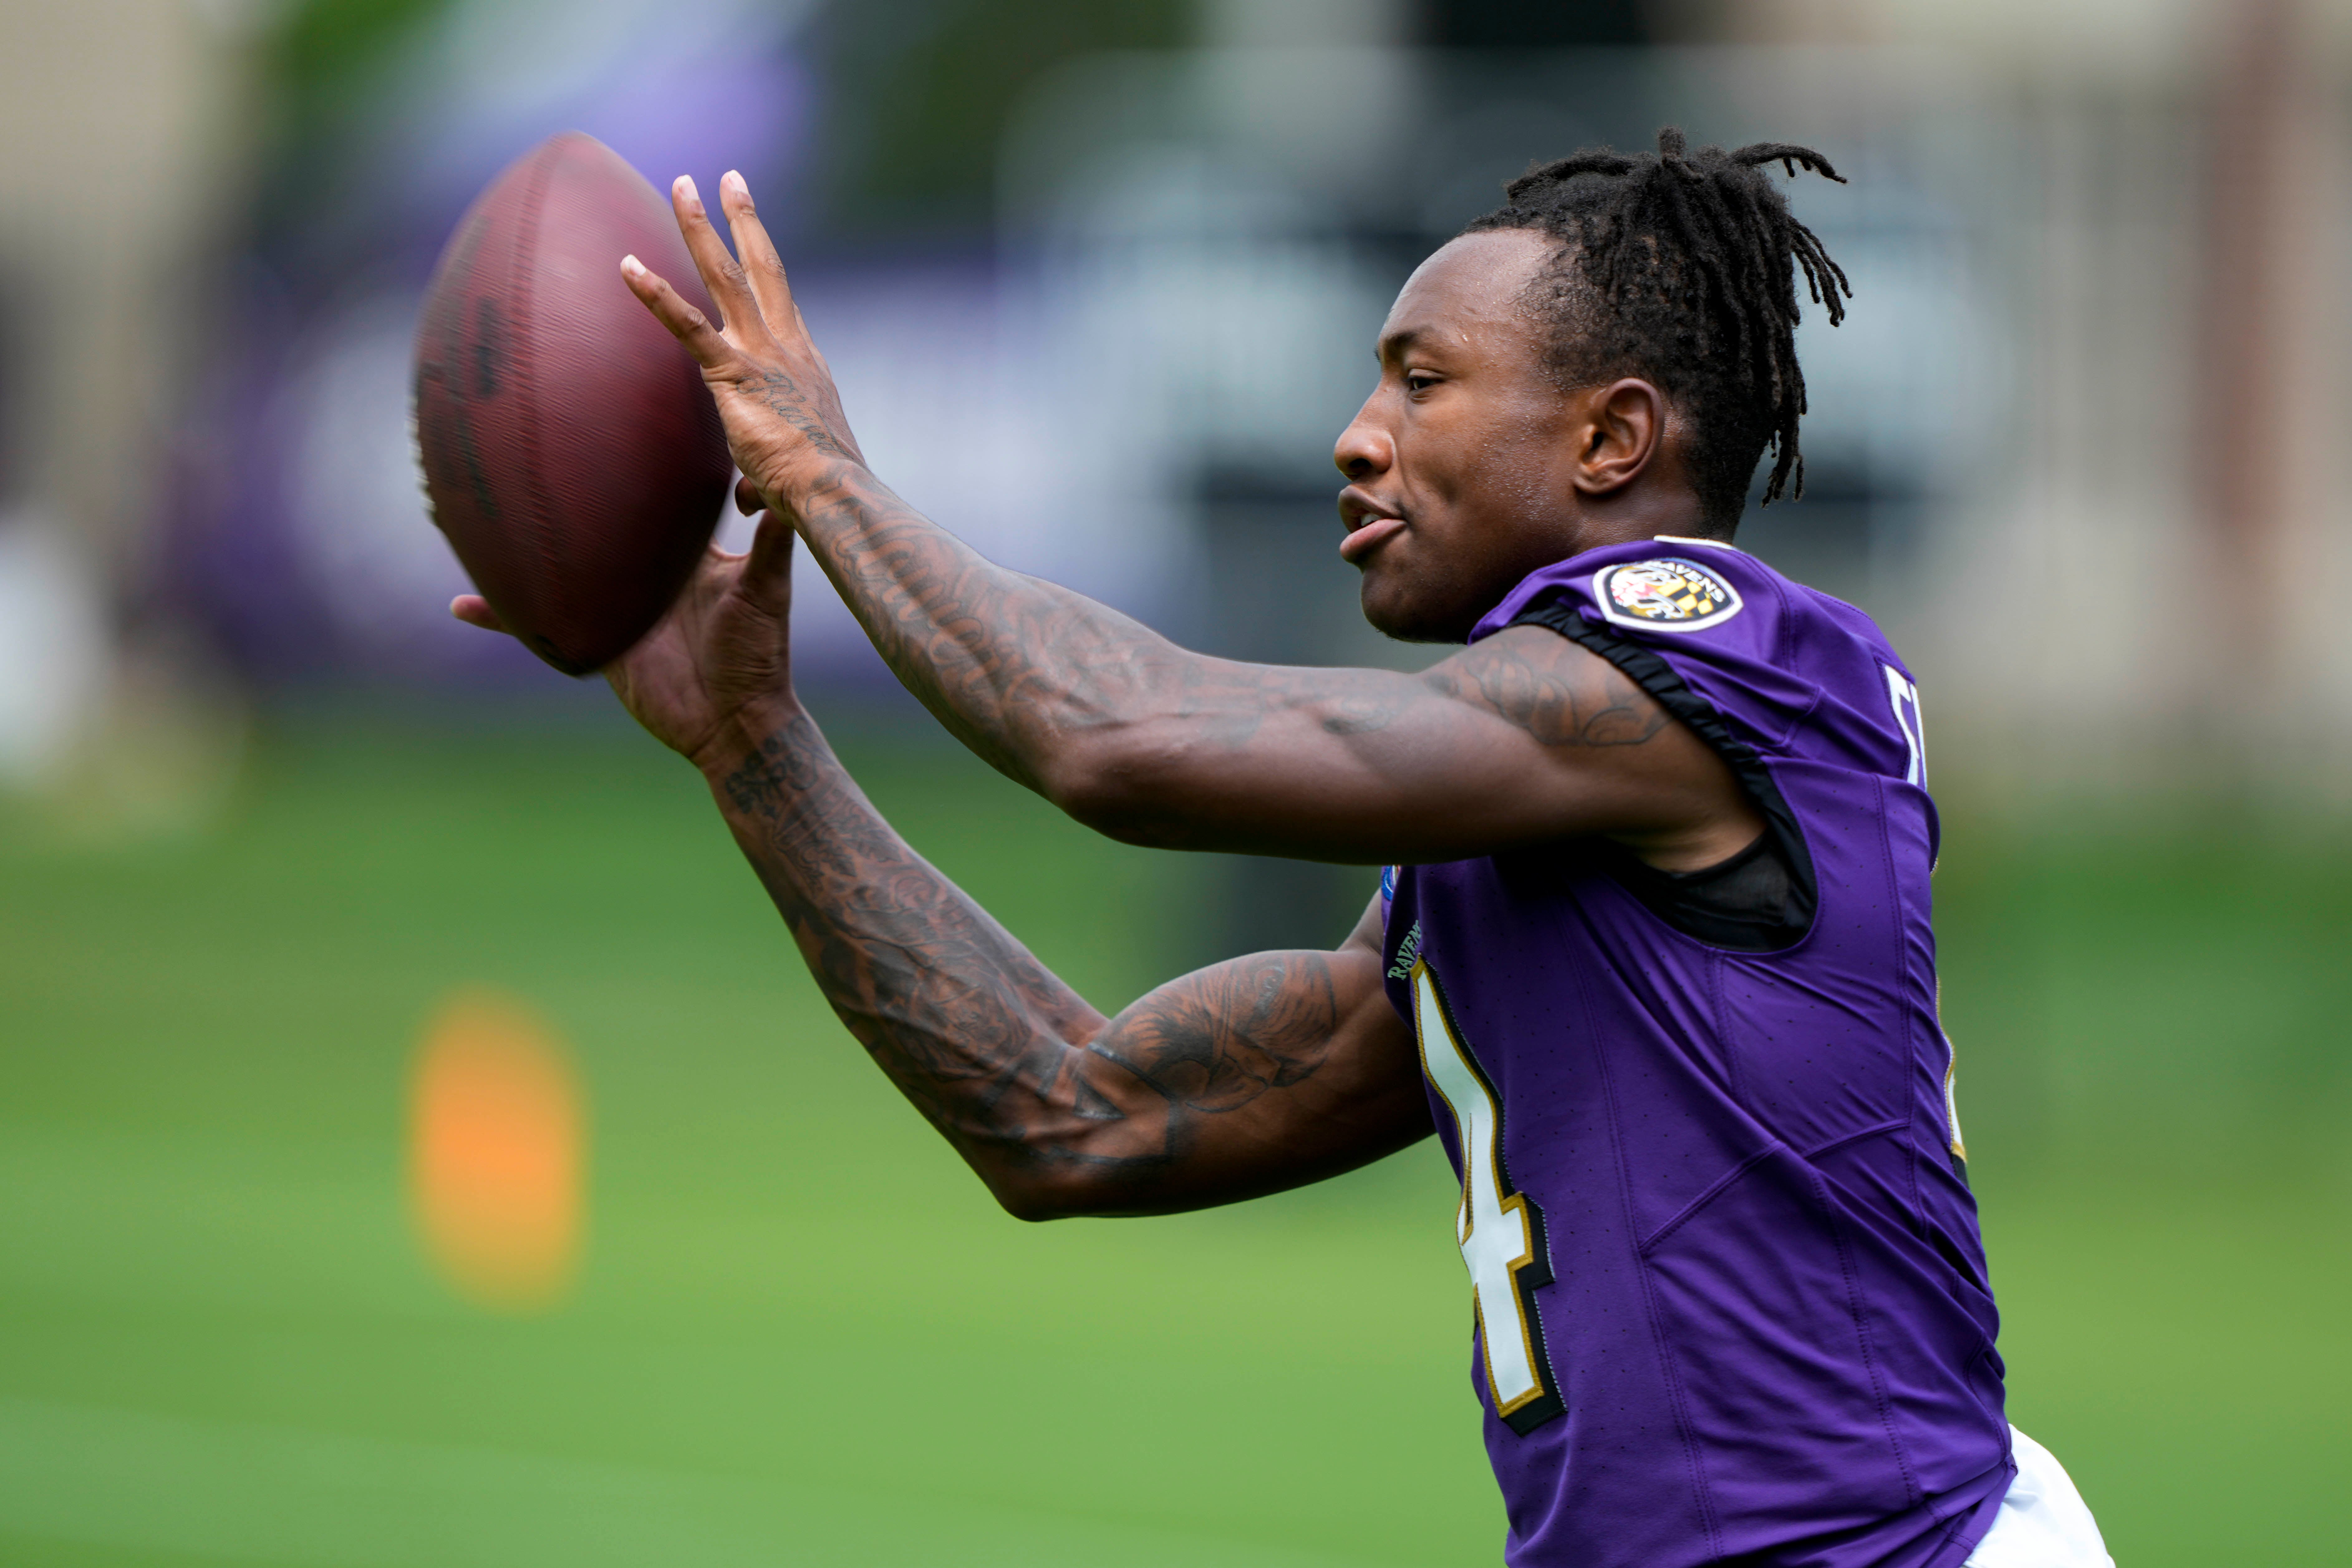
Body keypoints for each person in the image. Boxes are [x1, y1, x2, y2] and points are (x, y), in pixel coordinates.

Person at [457, 126, 2113, 1568]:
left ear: (1609, 442)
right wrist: (753, 740)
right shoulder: (1520, 865)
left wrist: (820, 467)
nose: (1355, 433)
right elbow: (1077, 1115)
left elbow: (1113, 736)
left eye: (1420, 377)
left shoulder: (1724, 653)